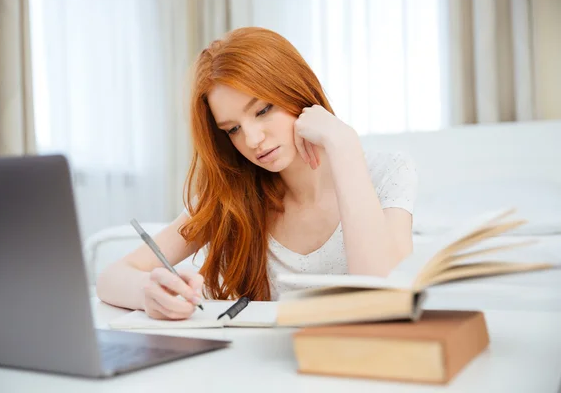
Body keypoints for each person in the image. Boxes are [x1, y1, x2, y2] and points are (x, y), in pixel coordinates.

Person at [96, 26, 418, 321]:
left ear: (296, 90)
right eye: (233, 129)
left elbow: (384, 298)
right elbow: (111, 278)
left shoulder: (387, 172)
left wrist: (344, 145)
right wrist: (147, 292)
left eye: (263, 110)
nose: (251, 140)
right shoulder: (232, 195)